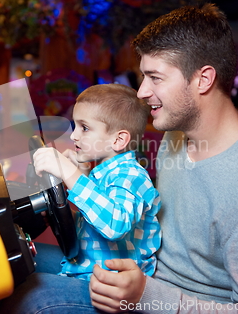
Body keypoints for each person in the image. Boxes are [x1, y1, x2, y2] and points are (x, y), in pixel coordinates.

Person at [0, 3, 238, 314]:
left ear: (203, 79)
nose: (142, 92)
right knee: (9, 259)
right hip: (140, 269)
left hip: (162, 300)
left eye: (155, 78)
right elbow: (136, 195)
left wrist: (145, 295)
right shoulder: (177, 134)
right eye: (142, 77)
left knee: (33, 298)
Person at [32, 83, 161, 280]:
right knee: (19, 257)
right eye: (75, 126)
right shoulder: (103, 174)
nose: (74, 136)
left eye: (84, 128)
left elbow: (115, 225)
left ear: (118, 140)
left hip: (111, 284)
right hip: (87, 267)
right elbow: (94, 231)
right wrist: (62, 215)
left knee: (30, 292)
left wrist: (70, 172)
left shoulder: (131, 176)